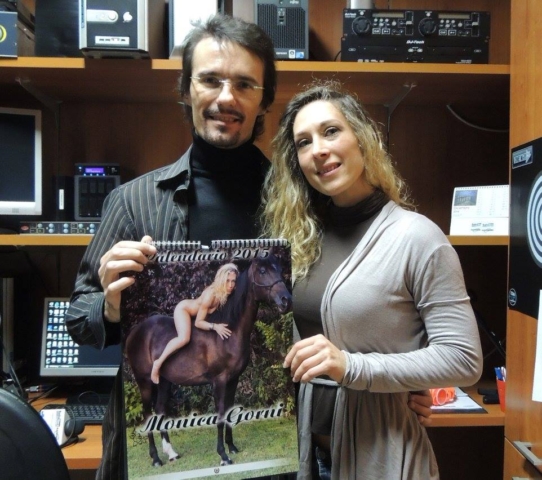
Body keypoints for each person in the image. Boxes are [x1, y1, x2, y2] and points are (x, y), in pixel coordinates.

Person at [64, 15, 433, 480]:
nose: (226, 98)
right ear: (186, 90)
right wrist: (111, 305)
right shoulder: (132, 202)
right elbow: (79, 318)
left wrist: (396, 382)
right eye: (210, 80)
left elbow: (346, 307)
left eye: (244, 84)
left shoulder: (307, 205)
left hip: (276, 461)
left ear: (264, 99)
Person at [260, 81, 483, 479]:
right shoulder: (303, 239)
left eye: (331, 131)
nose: (318, 149)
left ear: (362, 138)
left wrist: (352, 366)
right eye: (304, 142)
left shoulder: (418, 237)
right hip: (308, 458)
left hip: (383, 459)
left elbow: (463, 359)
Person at [150, 263, 238, 384]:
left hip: (197, 315)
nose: (231, 285)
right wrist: (215, 327)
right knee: (184, 338)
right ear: (221, 279)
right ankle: (157, 363)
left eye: (233, 281)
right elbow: (198, 322)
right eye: (227, 281)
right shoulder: (211, 295)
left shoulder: (226, 292)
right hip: (184, 310)